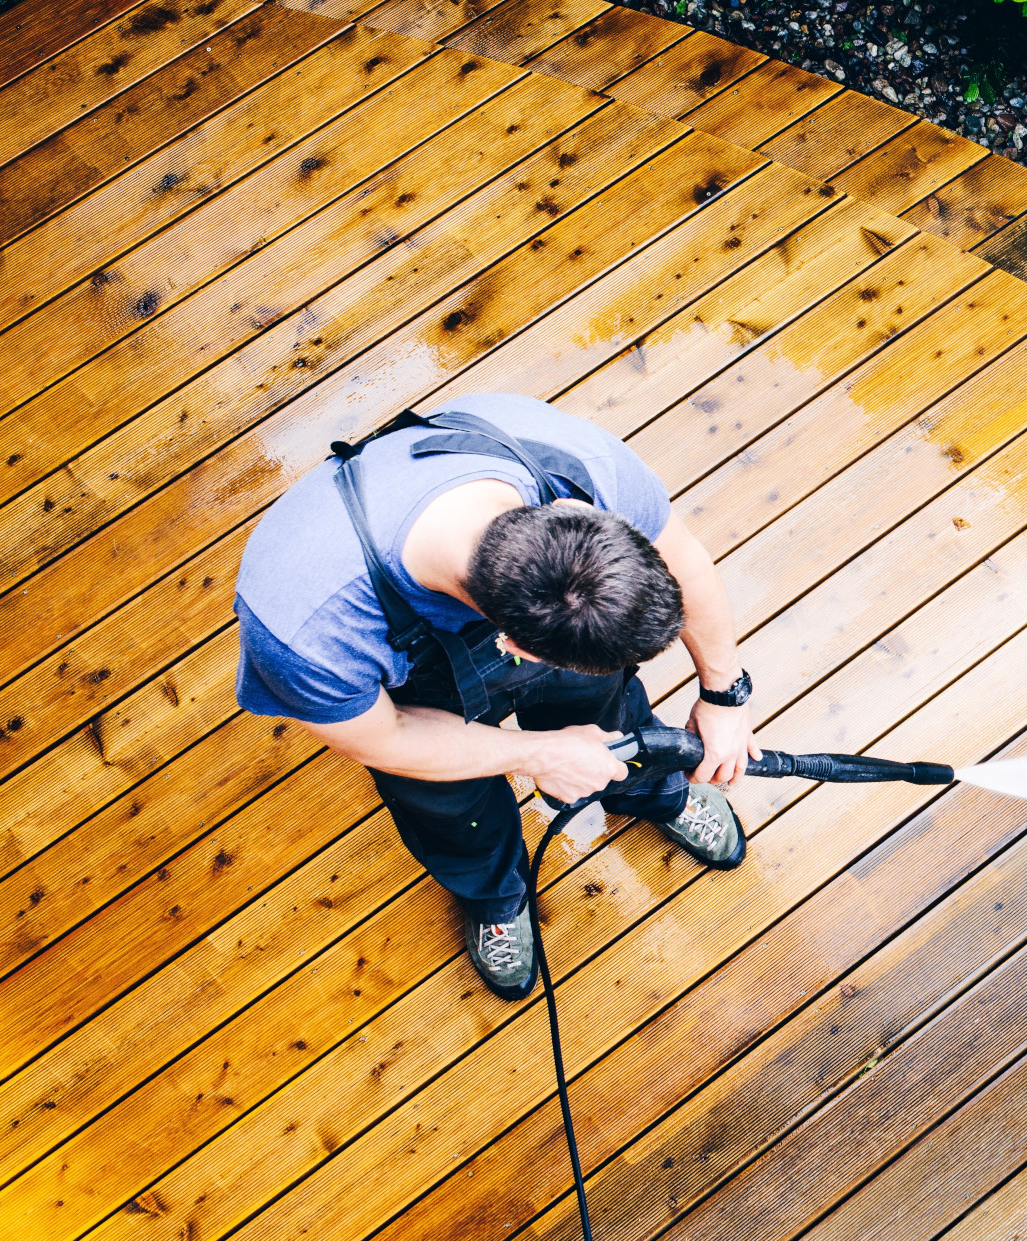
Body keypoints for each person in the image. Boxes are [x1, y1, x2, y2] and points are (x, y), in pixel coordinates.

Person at [233, 394, 757, 1001]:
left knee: (609, 712)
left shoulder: (574, 465)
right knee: (451, 806)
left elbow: (682, 557)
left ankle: (650, 787)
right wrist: (536, 755)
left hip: (532, 640)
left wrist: (726, 694)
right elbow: (386, 739)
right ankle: (495, 891)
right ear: (515, 647)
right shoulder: (305, 626)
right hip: (411, 705)